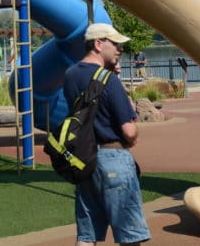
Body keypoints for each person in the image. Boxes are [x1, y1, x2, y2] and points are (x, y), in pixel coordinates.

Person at [64, 23, 150, 246]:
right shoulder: (110, 80)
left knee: (86, 234)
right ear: (98, 44)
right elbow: (129, 131)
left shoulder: (70, 75)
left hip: (84, 159)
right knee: (130, 234)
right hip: (113, 158)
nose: (119, 49)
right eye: (115, 43)